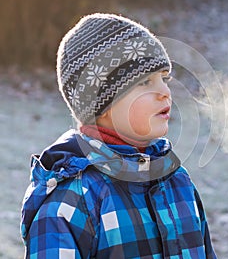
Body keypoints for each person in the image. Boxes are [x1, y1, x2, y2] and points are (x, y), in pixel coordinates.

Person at [21, 13, 217, 259]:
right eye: (145, 82)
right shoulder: (72, 201)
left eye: (163, 78)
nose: (165, 92)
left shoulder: (177, 182)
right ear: (101, 104)